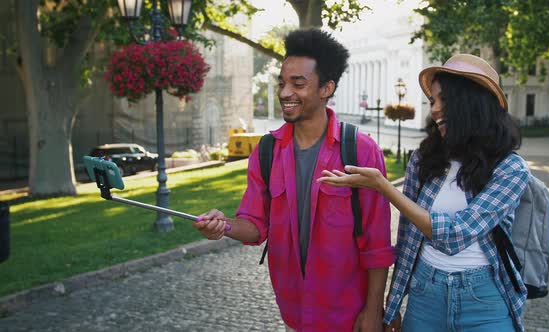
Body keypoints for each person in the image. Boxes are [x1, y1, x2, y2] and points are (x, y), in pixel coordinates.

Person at [193, 28, 395, 331]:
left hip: (350, 316)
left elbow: (377, 243)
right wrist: (224, 227)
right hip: (294, 314)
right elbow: (255, 227)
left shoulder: (360, 151)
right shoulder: (266, 150)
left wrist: (373, 311)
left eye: (298, 83)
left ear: (326, 88)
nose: (285, 92)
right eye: (282, 82)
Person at [318, 54, 529, 332]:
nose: (436, 109)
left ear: (472, 105)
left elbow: (454, 236)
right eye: (433, 102)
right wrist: (392, 305)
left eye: (445, 100)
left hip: (484, 301)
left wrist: (384, 186)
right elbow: (408, 238)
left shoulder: (511, 169)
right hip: (424, 296)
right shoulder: (425, 158)